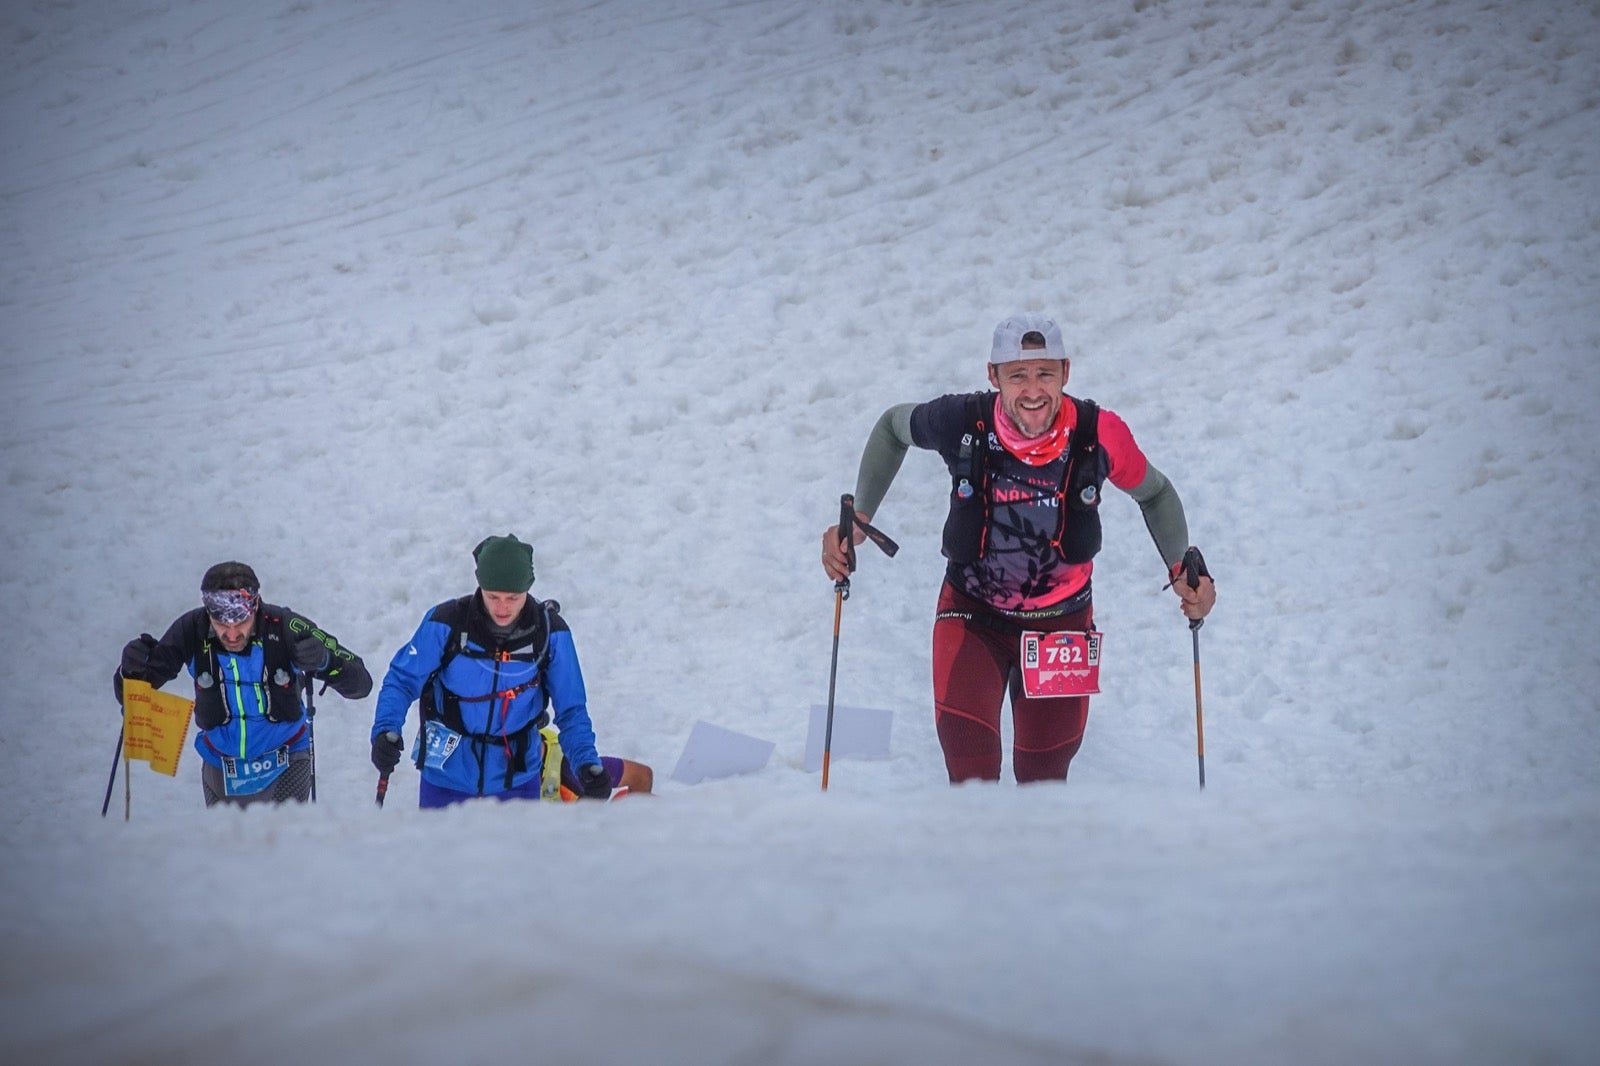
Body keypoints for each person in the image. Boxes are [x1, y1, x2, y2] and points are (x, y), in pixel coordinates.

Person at [821, 313, 1216, 785]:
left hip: (1062, 626)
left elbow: (1156, 492)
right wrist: (861, 516)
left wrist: (1181, 565)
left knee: (1043, 783)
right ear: (994, 377)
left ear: (1066, 373)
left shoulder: (1099, 434)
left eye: (1046, 373)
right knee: (970, 779)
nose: (1033, 390)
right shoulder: (960, 420)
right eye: (1018, 375)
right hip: (972, 617)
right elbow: (892, 427)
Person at [369, 534, 622, 807]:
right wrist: (385, 729)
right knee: (438, 851)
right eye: (493, 596)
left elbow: (571, 709)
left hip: (516, 781)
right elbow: (402, 680)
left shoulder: (550, 634)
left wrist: (586, 762)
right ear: (480, 586)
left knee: (511, 852)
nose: (502, 607)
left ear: (528, 588)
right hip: (445, 778)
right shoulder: (446, 623)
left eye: (513, 597)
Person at [114, 561, 373, 807]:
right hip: (221, 767)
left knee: (277, 846)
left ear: (256, 605)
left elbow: (362, 683)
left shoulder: (287, 626)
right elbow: (136, 693)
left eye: (241, 623)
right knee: (229, 852)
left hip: (285, 760)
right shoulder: (191, 629)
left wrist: (324, 660)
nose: (232, 634)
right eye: (221, 625)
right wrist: (130, 668)